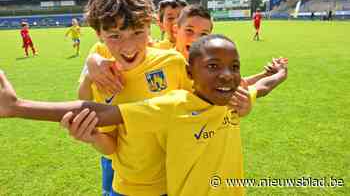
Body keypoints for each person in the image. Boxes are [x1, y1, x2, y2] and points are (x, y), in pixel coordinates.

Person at [0, 34, 288, 196]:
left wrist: (278, 75)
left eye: (234, 67)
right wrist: (18, 106)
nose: (227, 75)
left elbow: (260, 87)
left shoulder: (234, 99)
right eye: (213, 66)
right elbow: (104, 112)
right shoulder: (173, 106)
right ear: (189, 73)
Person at [65, 0, 253, 196]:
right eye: (115, 36)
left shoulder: (172, 64)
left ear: (150, 24)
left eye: (137, 32)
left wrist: (243, 106)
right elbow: (111, 146)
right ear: (99, 34)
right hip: (127, 189)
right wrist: (92, 136)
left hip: (176, 183)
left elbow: (209, 106)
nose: (129, 47)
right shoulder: (104, 78)